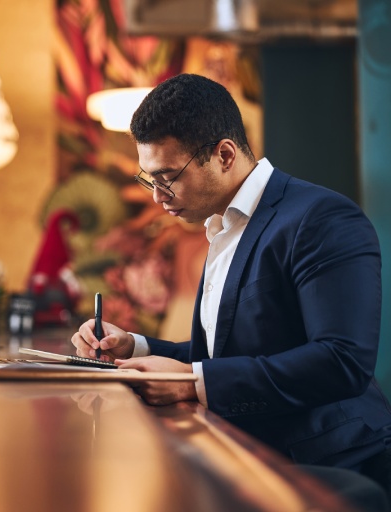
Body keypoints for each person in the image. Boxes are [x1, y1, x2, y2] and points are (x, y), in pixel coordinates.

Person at [71, 73, 391, 504]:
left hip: (327, 465)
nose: (158, 197)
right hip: (249, 455)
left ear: (224, 154)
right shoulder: (221, 226)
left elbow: (342, 361)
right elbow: (227, 356)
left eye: (168, 177)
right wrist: (134, 347)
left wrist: (191, 382)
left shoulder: (322, 218)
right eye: (149, 179)